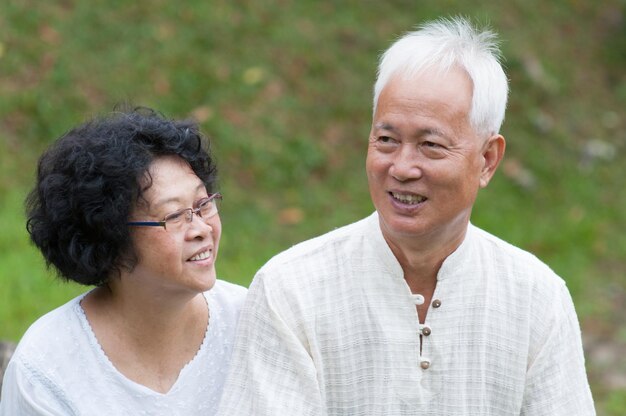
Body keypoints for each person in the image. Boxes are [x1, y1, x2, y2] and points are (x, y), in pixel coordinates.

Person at [217, 17, 595, 415]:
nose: (401, 167)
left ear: (487, 160)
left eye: (430, 145)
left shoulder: (537, 298)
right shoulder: (291, 290)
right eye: (386, 140)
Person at [0, 108, 247, 415]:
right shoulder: (46, 369)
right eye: (173, 215)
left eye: (203, 204)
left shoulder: (251, 323)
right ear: (110, 237)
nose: (201, 228)